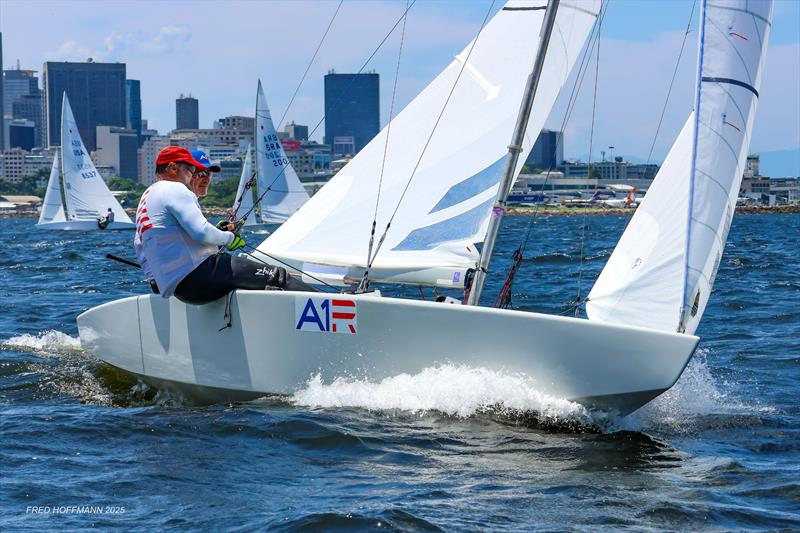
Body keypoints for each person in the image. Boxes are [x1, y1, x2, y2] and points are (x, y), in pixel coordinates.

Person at [134, 146, 308, 305]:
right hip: (202, 275)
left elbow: (141, 244)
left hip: (183, 291)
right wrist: (229, 238)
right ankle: (330, 315)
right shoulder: (174, 189)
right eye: (192, 170)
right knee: (279, 277)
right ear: (173, 168)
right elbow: (201, 232)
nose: (195, 176)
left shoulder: (146, 198)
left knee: (251, 279)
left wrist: (155, 280)